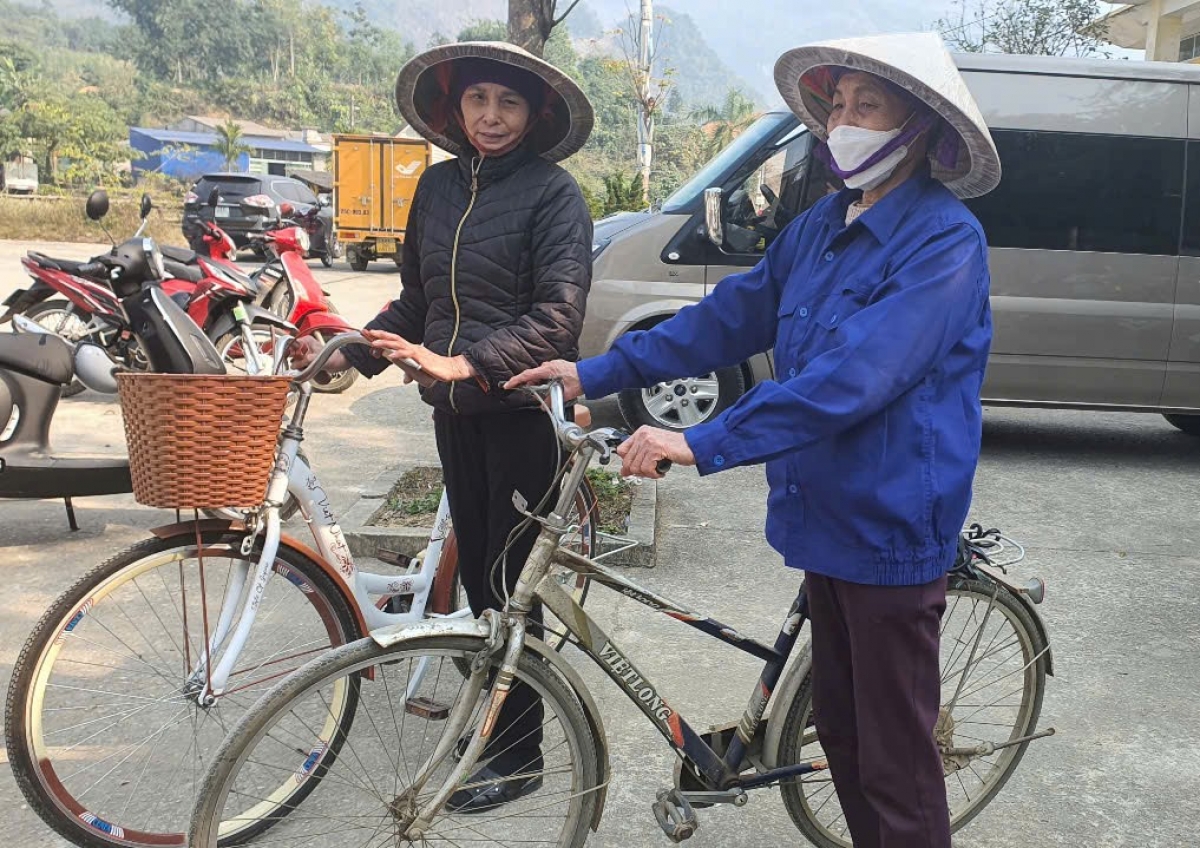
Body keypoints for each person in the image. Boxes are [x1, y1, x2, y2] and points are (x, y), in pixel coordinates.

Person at [509, 32, 1002, 847]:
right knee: (842, 738)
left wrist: (701, 441)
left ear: (918, 129)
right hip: (823, 513)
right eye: (837, 104)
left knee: (895, 758)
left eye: (866, 106)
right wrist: (594, 372)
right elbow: (728, 318)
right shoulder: (820, 227)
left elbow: (856, 377)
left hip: (889, 524)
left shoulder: (945, 243)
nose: (844, 120)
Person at [292, 40, 594, 812]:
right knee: (478, 584)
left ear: (535, 115)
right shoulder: (434, 189)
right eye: (478, 101)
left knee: (506, 583)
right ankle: (494, 719)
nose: (491, 117)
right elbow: (417, 303)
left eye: (509, 103)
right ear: (456, 109)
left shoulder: (554, 195)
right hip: (455, 419)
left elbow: (558, 319)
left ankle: (517, 750)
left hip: (525, 418)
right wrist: (349, 354)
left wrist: (469, 365)